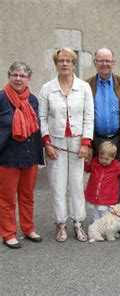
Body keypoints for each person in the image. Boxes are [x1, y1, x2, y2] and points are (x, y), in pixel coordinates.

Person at [38, 48, 94, 242]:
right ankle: (60, 224)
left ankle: (78, 223)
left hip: (78, 143)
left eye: (68, 61)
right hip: (56, 143)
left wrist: (86, 143)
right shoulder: (47, 88)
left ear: (74, 63)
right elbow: (42, 118)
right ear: (56, 64)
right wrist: (47, 142)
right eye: (61, 61)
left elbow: (89, 117)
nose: (64, 64)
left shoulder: (84, 87)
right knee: (57, 185)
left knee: (77, 184)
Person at [86, 48, 120, 235]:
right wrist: (86, 145)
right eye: (100, 60)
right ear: (95, 62)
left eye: (108, 61)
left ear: (113, 62)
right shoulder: (88, 85)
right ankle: (102, 222)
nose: (104, 64)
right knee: (100, 180)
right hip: (98, 140)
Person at [0, 62, 44, 249]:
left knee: (27, 196)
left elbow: (36, 128)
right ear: (9, 76)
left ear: (28, 79)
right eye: (15, 75)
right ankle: (8, 233)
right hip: (8, 156)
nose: (18, 79)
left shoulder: (32, 100)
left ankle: (28, 229)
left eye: (22, 75)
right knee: (7, 198)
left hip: (29, 155)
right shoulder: (1, 98)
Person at [84, 141, 120, 221]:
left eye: (106, 159)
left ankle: (104, 230)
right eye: (101, 157)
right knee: (94, 214)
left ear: (113, 157)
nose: (103, 161)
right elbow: (87, 169)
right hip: (94, 195)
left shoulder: (116, 166)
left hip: (107, 198)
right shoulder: (95, 162)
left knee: (105, 216)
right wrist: (85, 161)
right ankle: (96, 229)